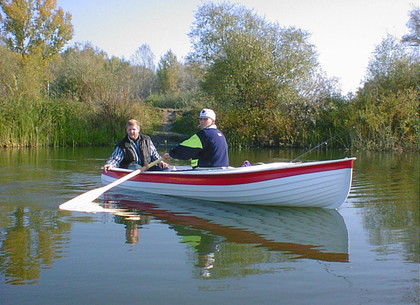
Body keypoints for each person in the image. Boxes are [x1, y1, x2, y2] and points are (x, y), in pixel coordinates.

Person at [163, 109, 229, 168]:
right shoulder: (220, 134)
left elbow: (184, 149)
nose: (202, 121)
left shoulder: (203, 134)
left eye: (205, 119)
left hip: (207, 170)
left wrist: (171, 154)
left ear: (213, 121)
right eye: (200, 119)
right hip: (220, 168)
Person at [104, 119, 169, 171]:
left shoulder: (147, 140)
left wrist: (161, 162)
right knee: (136, 167)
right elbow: (116, 158)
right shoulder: (122, 144)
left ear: (138, 130)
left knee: (165, 168)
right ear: (127, 130)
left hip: (147, 166)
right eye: (129, 130)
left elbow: (154, 155)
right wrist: (110, 164)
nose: (131, 132)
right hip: (132, 168)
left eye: (133, 129)